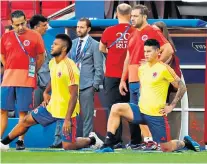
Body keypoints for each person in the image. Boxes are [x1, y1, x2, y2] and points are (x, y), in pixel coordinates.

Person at [0, 34, 103, 150]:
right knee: (25, 121)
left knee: (68, 146)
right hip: (52, 107)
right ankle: (3, 143)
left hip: (66, 111)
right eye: (53, 43)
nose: (52, 46)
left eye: (55, 44)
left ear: (63, 49)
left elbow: (74, 95)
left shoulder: (70, 68)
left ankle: (92, 139)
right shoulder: (53, 62)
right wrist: (46, 92)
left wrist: (68, 119)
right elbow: (53, 78)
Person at [97, 39, 200, 153]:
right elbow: (143, 87)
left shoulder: (164, 69)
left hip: (156, 115)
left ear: (157, 52)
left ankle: (184, 142)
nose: (146, 54)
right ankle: (108, 144)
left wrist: (171, 106)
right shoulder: (142, 68)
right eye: (145, 51)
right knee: (116, 108)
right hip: (141, 111)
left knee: (166, 148)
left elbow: (182, 87)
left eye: (149, 51)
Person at [119, 4, 174, 149]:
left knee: (147, 111)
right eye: (131, 16)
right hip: (132, 80)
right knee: (138, 113)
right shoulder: (132, 33)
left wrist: (155, 65)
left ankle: (158, 141)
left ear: (144, 17)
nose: (133, 19)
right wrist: (123, 79)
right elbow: (128, 58)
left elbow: (168, 49)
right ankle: (149, 140)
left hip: (145, 81)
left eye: (136, 16)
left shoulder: (152, 30)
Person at [0, 10, 45, 150]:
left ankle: (20, 141)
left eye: (23, 23)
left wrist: (32, 72)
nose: (20, 27)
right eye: (17, 25)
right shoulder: (5, 37)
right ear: (11, 24)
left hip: (26, 80)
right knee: (2, 110)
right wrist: (8, 67)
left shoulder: (35, 36)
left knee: (23, 112)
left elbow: (41, 57)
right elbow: (2, 54)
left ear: (26, 20)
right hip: (8, 79)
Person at [99, 3, 142, 149]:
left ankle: (116, 140)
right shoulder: (135, 31)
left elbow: (101, 48)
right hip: (133, 76)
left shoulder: (109, 31)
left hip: (112, 75)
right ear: (130, 15)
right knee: (134, 108)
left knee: (113, 109)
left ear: (116, 14)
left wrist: (112, 55)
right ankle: (136, 141)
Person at [69, 18, 103, 138]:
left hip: (87, 85)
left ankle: (86, 139)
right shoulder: (71, 44)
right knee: (69, 113)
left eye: (82, 27)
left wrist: (94, 85)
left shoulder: (95, 45)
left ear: (88, 29)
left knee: (87, 115)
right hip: (72, 85)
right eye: (78, 27)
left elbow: (99, 67)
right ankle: (67, 139)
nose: (79, 29)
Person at [152, 21, 182, 102]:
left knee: (162, 104)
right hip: (156, 79)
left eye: (157, 31)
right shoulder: (152, 46)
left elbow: (165, 63)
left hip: (164, 79)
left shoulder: (168, 48)